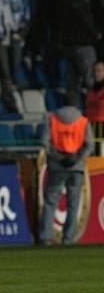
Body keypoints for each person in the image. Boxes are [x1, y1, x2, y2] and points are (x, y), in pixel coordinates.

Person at [39, 92, 93, 245]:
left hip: (57, 166)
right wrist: (76, 158)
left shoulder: (53, 119)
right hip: (76, 166)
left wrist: (58, 157)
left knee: (50, 202)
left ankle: (46, 238)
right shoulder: (83, 121)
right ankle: (68, 239)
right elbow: (89, 145)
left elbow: (45, 142)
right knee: (73, 203)